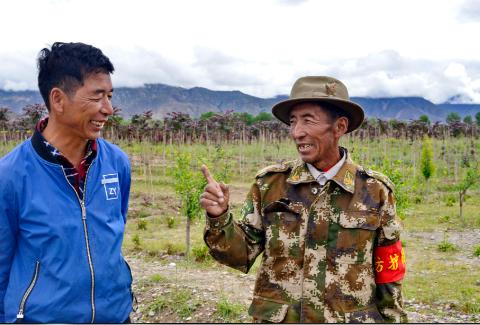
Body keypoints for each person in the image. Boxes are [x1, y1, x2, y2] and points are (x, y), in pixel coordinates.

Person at [200, 76, 407, 323]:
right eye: (293, 122)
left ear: (339, 127)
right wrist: (219, 217)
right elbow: (239, 255)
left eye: (308, 120)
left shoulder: (375, 191)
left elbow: (389, 274)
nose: (297, 132)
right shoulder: (270, 185)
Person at [0, 42, 133, 323]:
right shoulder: (10, 176)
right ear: (58, 100)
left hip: (116, 316)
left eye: (109, 96)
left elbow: (114, 234)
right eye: (97, 97)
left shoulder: (117, 163)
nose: (108, 109)